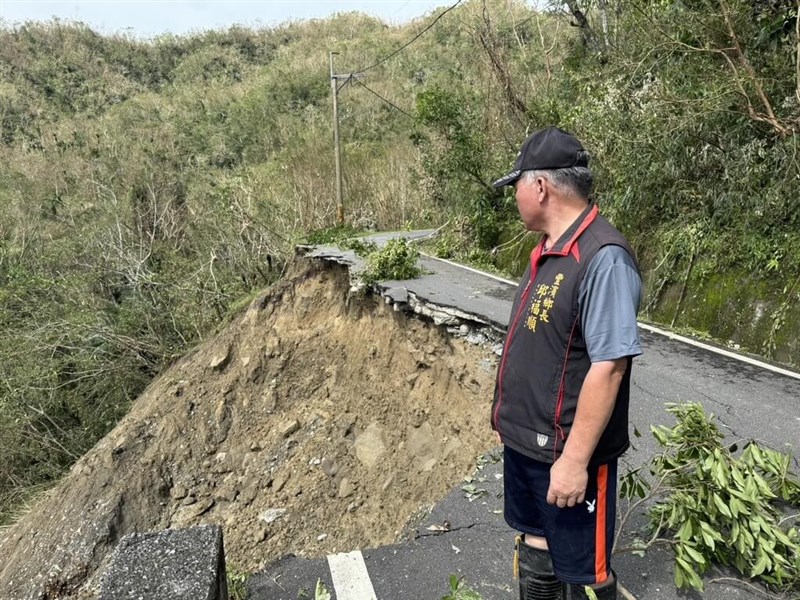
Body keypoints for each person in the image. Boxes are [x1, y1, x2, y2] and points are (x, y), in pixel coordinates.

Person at [490, 126, 642, 600]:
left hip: (566, 454)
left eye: (517, 184)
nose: (514, 195)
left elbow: (609, 366)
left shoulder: (603, 258)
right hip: (528, 447)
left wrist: (575, 462)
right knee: (537, 545)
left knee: (584, 573)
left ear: (540, 187)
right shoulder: (548, 251)